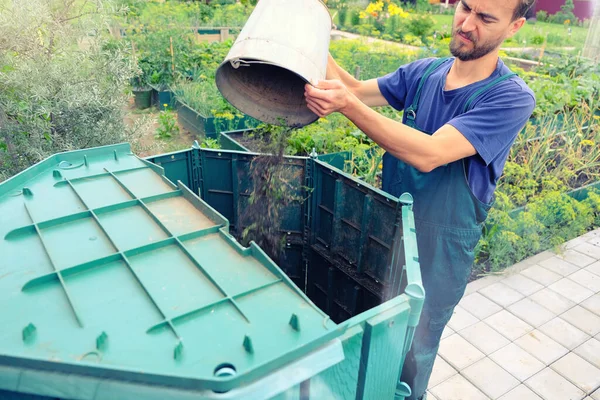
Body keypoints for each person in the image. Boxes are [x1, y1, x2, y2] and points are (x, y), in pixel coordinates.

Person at [304, 0, 536, 399]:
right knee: (371, 334)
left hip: (438, 252)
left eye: (485, 18)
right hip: (387, 231)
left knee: (412, 353)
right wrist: (307, 33)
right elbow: (357, 91)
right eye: (465, 7)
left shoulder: (509, 98)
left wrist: (347, 105)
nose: (466, 24)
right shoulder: (424, 72)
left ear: (514, 27)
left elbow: (429, 153)